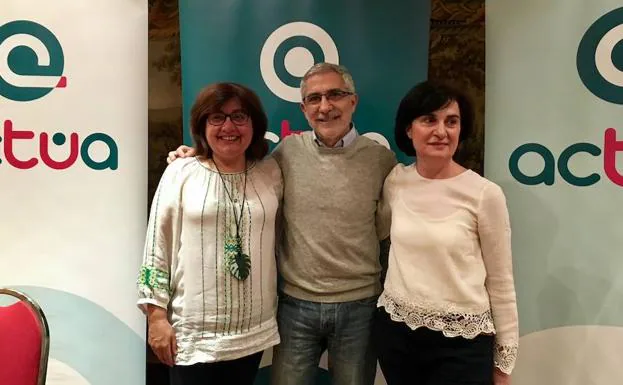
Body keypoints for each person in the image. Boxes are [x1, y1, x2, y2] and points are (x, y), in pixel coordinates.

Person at [167, 63, 397, 385]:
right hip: (295, 307)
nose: (325, 106)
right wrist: (197, 155)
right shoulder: (286, 152)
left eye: (335, 95)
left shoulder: (381, 160)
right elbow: (238, 166)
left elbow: (388, 237)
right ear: (304, 109)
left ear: (353, 101)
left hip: (359, 308)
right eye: (314, 99)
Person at [374, 80, 519, 385]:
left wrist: (504, 364)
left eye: (451, 121)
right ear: (408, 129)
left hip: (463, 345)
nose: (442, 131)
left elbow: (501, 282)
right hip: (398, 336)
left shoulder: (484, 194)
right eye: (429, 120)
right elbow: (380, 235)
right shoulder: (396, 181)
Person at [137, 82, 282, 385]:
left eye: (239, 116)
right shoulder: (181, 172)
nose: (228, 126)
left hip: (251, 331)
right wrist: (156, 318)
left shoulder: (271, 173)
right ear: (202, 125)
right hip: (194, 334)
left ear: (254, 124)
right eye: (217, 117)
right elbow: (156, 245)